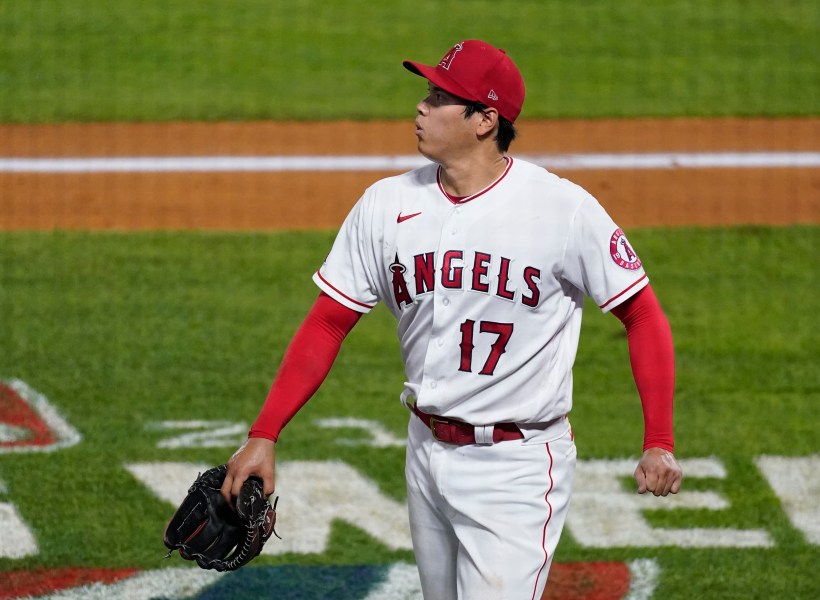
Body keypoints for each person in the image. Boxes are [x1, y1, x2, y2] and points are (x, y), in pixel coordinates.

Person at [222, 39, 683, 599]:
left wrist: (658, 439)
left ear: (485, 119)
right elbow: (327, 323)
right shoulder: (385, 205)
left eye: (441, 95)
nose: (421, 105)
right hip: (425, 452)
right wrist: (264, 433)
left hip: (516, 467)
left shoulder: (563, 211)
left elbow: (643, 315)